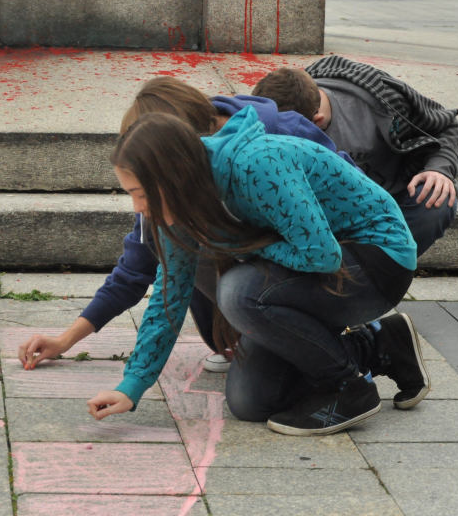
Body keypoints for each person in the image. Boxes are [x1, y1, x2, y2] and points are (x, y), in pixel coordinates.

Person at [87, 110, 424, 436]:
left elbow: (322, 255)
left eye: (141, 195)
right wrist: (132, 385)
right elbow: (169, 295)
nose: (138, 208)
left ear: (174, 176)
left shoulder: (256, 165)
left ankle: (349, 387)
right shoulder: (178, 206)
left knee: (238, 292)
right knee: (250, 402)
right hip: (318, 272)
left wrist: (243, 246)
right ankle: (381, 343)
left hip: (377, 259)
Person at [18, 78, 366, 380]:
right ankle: (274, 340)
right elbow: (137, 267)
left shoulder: (275, 140)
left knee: (214, 252)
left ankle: (350, 337)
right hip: (257, 292)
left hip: (328, 270)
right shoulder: (166, 186)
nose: (145, 202)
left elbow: (354, 203)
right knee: (251, 398)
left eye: (149, 186)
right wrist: (67, 339)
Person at [252, 57, 458, 257]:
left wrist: (439, 168)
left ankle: (383, 270)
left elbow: (445, 126)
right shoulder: (274, 112)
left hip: (389, 202)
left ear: (317, 121)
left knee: (436, 197)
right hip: (327, 211)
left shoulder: (382, 98)